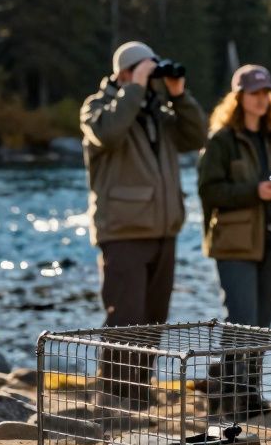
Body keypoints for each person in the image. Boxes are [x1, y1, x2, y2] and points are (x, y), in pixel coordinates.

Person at [80, 41, 207, 406]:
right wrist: (134, 86)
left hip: (164, 230)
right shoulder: (98, 108)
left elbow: (197, 137)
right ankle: (114, 393)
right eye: (145, 73)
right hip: (123, 232)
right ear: (125, 74)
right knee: (126, 318)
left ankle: (139, 389)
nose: (152, 81)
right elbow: (108, 133)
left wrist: (179, 96)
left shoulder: (158, 114)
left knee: (154, 319)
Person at [198, 65, 271, 415]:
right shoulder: (222, 140)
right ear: (239, 97)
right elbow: (209, 191)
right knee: (240, 322)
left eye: (265, 92)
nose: (261, 98)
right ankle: (231, 397)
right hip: (235, 245)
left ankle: (251, 396)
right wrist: (253, 191)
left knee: (261, 326)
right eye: (254, 92)